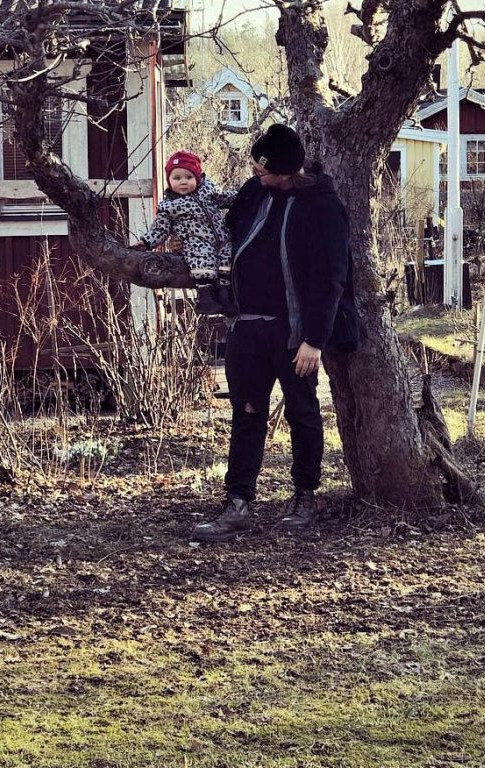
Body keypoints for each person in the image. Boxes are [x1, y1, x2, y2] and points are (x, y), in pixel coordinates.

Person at [190, 124, 359, 542]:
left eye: (262, 169)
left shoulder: (322, 207)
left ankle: (305, 498)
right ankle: (237, 503)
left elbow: (330, 277)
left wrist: (314, 340)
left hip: (295, 333)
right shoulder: (254, 192)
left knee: (303, 413)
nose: (255, 173)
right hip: (247, 326)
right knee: (247, 413)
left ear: (285, 171)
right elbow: (226, 234)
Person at [133, 150, 237, 315]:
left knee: (229, 255)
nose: (183, 182)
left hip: (222, 239)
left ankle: (226, 295)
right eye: (177, 178)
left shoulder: (208, 191)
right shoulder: (169, 206)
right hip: (195, 241)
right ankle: (206, 298)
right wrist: (146, 242)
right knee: (202, 257)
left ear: (198, 178)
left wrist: (242, 196)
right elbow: (160, 229)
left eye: (189, 177)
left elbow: (225, 197)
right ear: (169, 180)